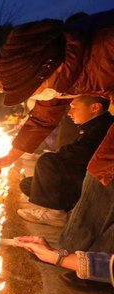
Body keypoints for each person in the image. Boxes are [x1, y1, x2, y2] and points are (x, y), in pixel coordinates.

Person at [0, 10, 114, 254]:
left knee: (102, 171)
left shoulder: (105, 51)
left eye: (32, 89)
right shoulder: (64, 73)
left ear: (49, 69)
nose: (34, 97)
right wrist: (8, 159)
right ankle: (76, 257)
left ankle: (90, 263)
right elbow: (41, 119)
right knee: (98, 172)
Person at [18, 96, 113, 227]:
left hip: (97, 185)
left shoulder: (104, 128)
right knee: (28, 184)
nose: (69, 112)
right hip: (82, 179)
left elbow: (79, 154)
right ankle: (65, 208)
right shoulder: (94, 125)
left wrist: (60, 155)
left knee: (48, 161)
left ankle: (55, 214)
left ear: (94, 108)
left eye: (74, 107)